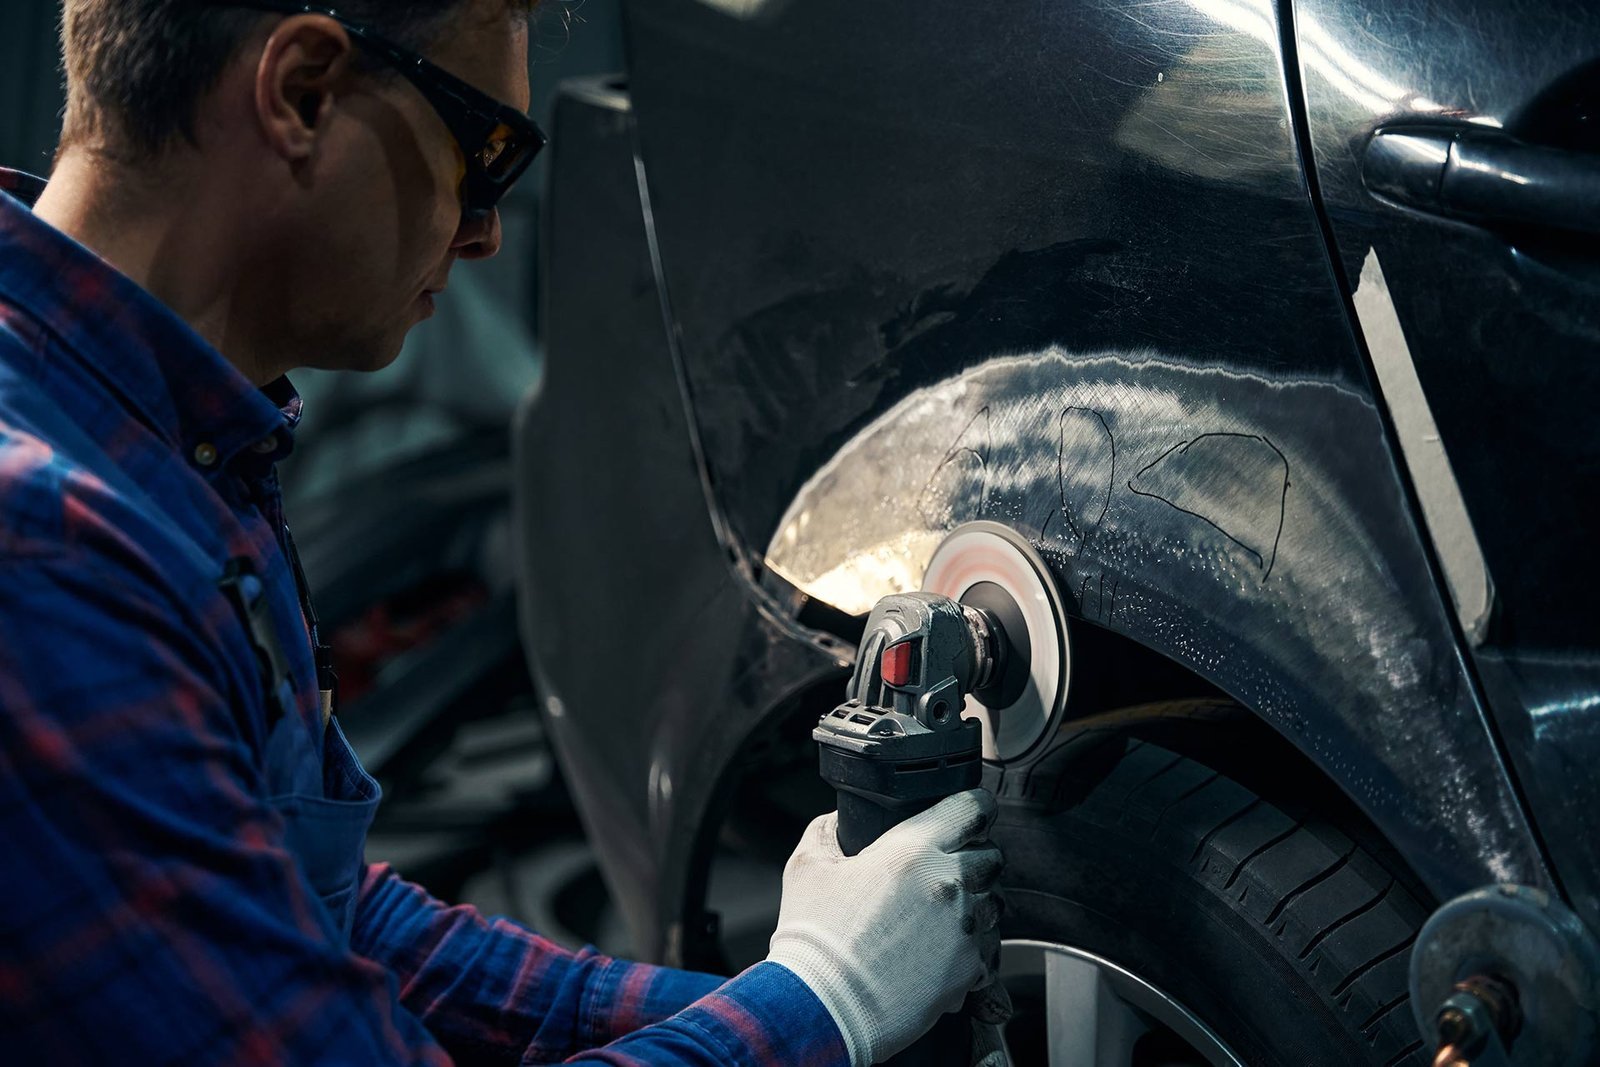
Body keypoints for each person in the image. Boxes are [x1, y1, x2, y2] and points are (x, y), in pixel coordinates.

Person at [0, 1, 1005, 1063]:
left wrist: (752, 999)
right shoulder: (43, 555)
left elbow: (319, 914)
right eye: (485, 155)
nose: (483, 232)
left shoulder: (162, 441)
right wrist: (824, 999)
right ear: (302, 92)